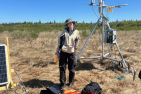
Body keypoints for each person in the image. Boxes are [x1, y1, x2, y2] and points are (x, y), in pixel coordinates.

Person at [55, 18, 80, 89]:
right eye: (69, 23)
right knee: (62, 68)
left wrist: (75, 47)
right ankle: (63, 83)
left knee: (71, 68)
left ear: (73, 23)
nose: (70, 24)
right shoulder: (64, 31)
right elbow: (59, 40)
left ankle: (71, 83)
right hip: (63, 51)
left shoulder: (76, 32)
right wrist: (58, 49)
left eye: (71, 23)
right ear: (67, 25)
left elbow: (77, 39)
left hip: (71, 52)